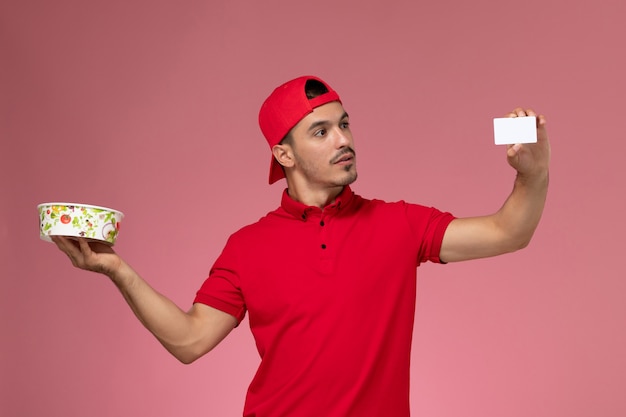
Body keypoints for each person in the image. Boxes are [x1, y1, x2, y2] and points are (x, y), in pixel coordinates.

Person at [52, 75, 550, 416]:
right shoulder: (247, 247)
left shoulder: (399, 223)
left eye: (345, 124)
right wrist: (117, 269)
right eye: (322, 130)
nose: (343, 140)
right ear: (283, 153)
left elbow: (510, 231)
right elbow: (189, 340)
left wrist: (534, 173)